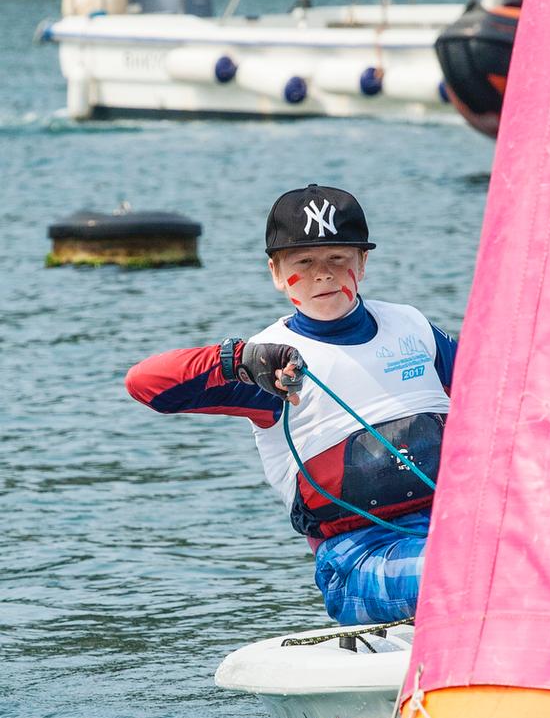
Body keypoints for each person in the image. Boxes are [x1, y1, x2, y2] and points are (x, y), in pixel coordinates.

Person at [125, 185, 457, 627]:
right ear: (277, 274)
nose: (324, 275)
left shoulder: (412, 327)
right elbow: (145, 383)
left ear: (363, 263)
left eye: (338, 259)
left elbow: (505, 394)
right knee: (469, 568)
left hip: (456, 526)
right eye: (305, 262)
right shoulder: (270, 362)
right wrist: (237, 360)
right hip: (359, 557)